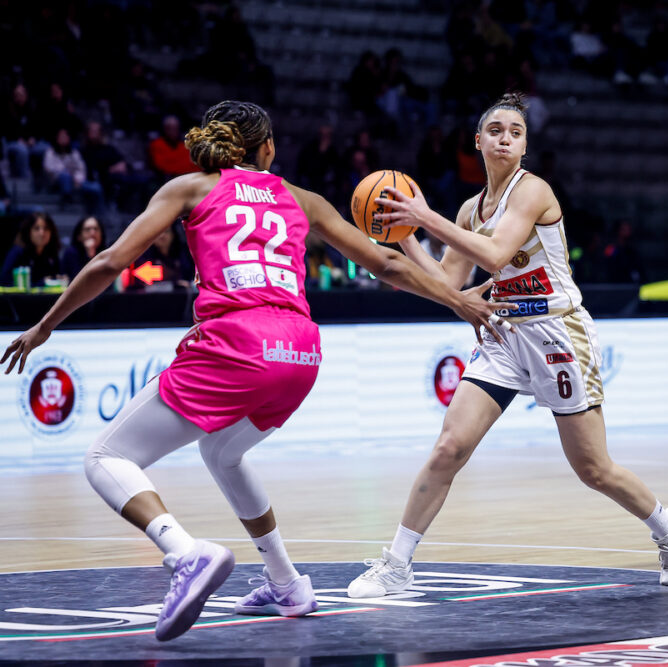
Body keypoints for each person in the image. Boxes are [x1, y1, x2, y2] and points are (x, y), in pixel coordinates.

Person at [1, 100, 503, 641]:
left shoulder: (190, 188)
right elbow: (387, 264)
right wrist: (458, 300)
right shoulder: (301, 199)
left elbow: (108, 262)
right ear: (264, 147)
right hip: (301, 351)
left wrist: (46, 325)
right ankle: (287, 583)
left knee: (106, 457)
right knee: (222, 451)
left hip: (237, 342)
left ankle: (185, 553)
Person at [345, 92, 668, 598]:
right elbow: (449, 279)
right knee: (449, 447)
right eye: (495, 130)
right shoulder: (470, 208)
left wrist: (422, 217)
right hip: (503, 333)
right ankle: (396, 565)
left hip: (558, 333)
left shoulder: (533, 191)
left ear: (524, 145)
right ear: (478, 141)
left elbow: (494, 254)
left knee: (593, 469)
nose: (504, 137)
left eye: (514, 131)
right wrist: (401, 233)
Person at [0, 212, 63, 287]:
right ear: (28, 231)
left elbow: (57, 277)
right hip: (21, 298)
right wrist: (40, 283)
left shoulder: (52, 254)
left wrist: (61, 279)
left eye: (46, 228)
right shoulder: (18, 252)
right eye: (37, 228)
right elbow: (4, 281)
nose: (42, 233)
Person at [61, 215, 107, 280]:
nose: (92, 233)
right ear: (79, 236)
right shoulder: (71, 253)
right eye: (87, 229)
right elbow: (75, 280)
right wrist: (89, 254)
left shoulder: (107, 252)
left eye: (96, 229)